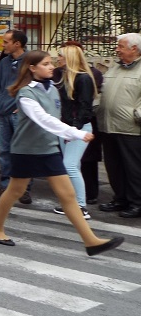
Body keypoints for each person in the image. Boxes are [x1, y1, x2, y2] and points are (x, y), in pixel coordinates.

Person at [0, 50, 123, 256]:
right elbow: (44, 119)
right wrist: (74, 133)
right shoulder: (25, 94)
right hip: (26, 151)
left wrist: (68, 132)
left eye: (51, 62)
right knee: (15, 191)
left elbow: (57, 116)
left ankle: (91, 241)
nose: (52, 66)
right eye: (45, 64)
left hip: (49, 149)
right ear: (32, 68)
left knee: (68, 195)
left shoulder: (52, 88)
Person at [52, 42, 98, 220]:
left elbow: (85, 108)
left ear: (69, 58)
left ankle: (80, 206)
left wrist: (74, 130)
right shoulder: (67, 76)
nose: (58, 58)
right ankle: (73, 204)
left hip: (77, 128)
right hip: (68, 128)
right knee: (73, 166)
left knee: (69, 165)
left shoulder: (83, 79)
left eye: (61, 55)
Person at [97, 33, 141, 217]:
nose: (117, 50)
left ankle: (137, 203)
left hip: (131, 128)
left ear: (134, 49)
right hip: (108, 126)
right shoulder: (115, 67)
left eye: (121, 46)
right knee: (113, 166)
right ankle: (120, 199)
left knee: (133, 168)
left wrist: (137, 115)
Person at [0, 30, 31, 202]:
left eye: (6, 42)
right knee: (5, 151)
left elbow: (36, 85)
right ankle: (6, 185)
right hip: (3, 112)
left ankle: (24, 188)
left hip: (19, 113)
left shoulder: (30, 61)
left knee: (22, 151)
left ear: (17, 43)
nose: (3, 45)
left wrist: (25, 107)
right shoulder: (4, 62)